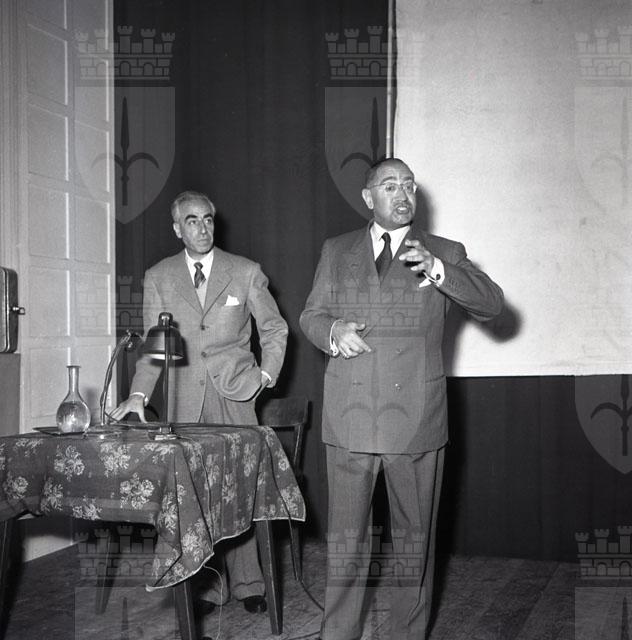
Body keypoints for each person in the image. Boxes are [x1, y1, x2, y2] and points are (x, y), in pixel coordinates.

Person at [300, 158, 504, 640]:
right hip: (349, 416)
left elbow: (492, 304)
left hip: (415, 418)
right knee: (346, 545)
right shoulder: (337, 250)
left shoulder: (443, 251)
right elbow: (311, 315)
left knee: (414, 543)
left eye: (409, 185)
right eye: (389, 185)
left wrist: (437, 270)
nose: (402, 193)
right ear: (368, 197)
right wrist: (332, 330)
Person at [112, 190, 288, 615]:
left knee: (240, 491)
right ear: (177, 229)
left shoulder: (245, 271)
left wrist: (265, 376)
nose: (203, 227)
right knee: (195, 497)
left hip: (235, 396)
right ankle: (209, 587)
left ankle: (249, 583)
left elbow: (275, 329)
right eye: (192, 220)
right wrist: (138, 393)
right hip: (184, 402)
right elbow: (155, 346)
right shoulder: (159, 276)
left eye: (208, 218)